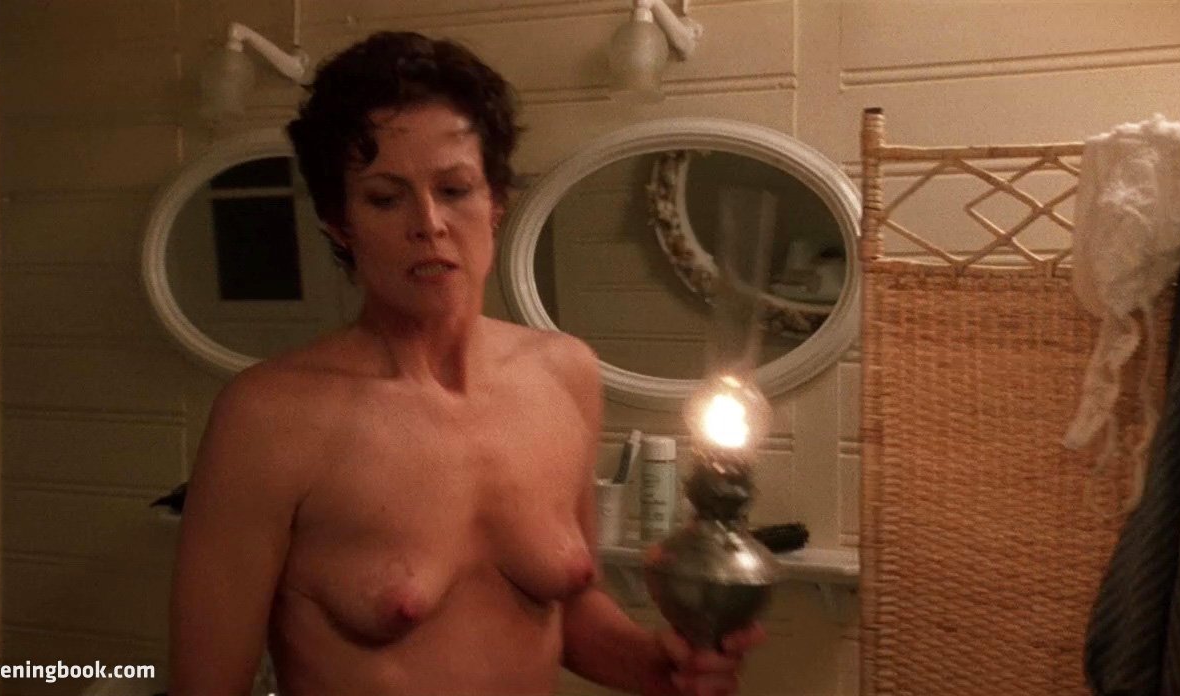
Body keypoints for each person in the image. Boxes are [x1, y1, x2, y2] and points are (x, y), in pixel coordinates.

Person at [170, 31, 764, 696]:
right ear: (340, 222)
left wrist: (667, 667)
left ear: (496, 202)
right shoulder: (270, 418)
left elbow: (566, 613)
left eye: (454, 189)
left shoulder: (564, 375)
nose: (429, 223)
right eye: (385, 198)